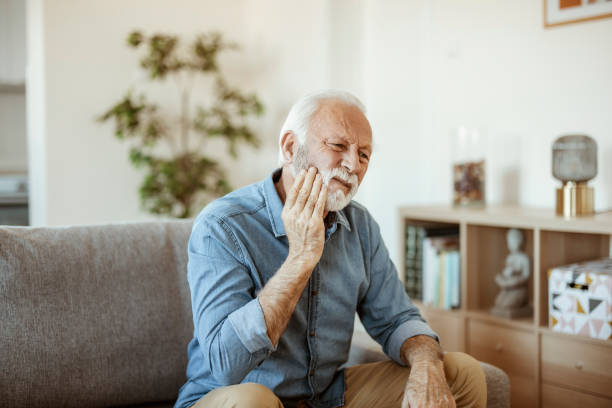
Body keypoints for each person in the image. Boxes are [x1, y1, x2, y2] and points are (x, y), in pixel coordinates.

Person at [175, 90, 486, 408]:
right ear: (290, 147)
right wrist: (300, 259)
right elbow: (225, 365)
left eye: (364, 155)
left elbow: (396, 319)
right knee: (253, 402)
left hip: (325, 399)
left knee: (461, 373)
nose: (352, 164)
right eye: (338, 146)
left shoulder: (360, 226)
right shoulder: (224, 225)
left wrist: (426, 365)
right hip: (232, 396)